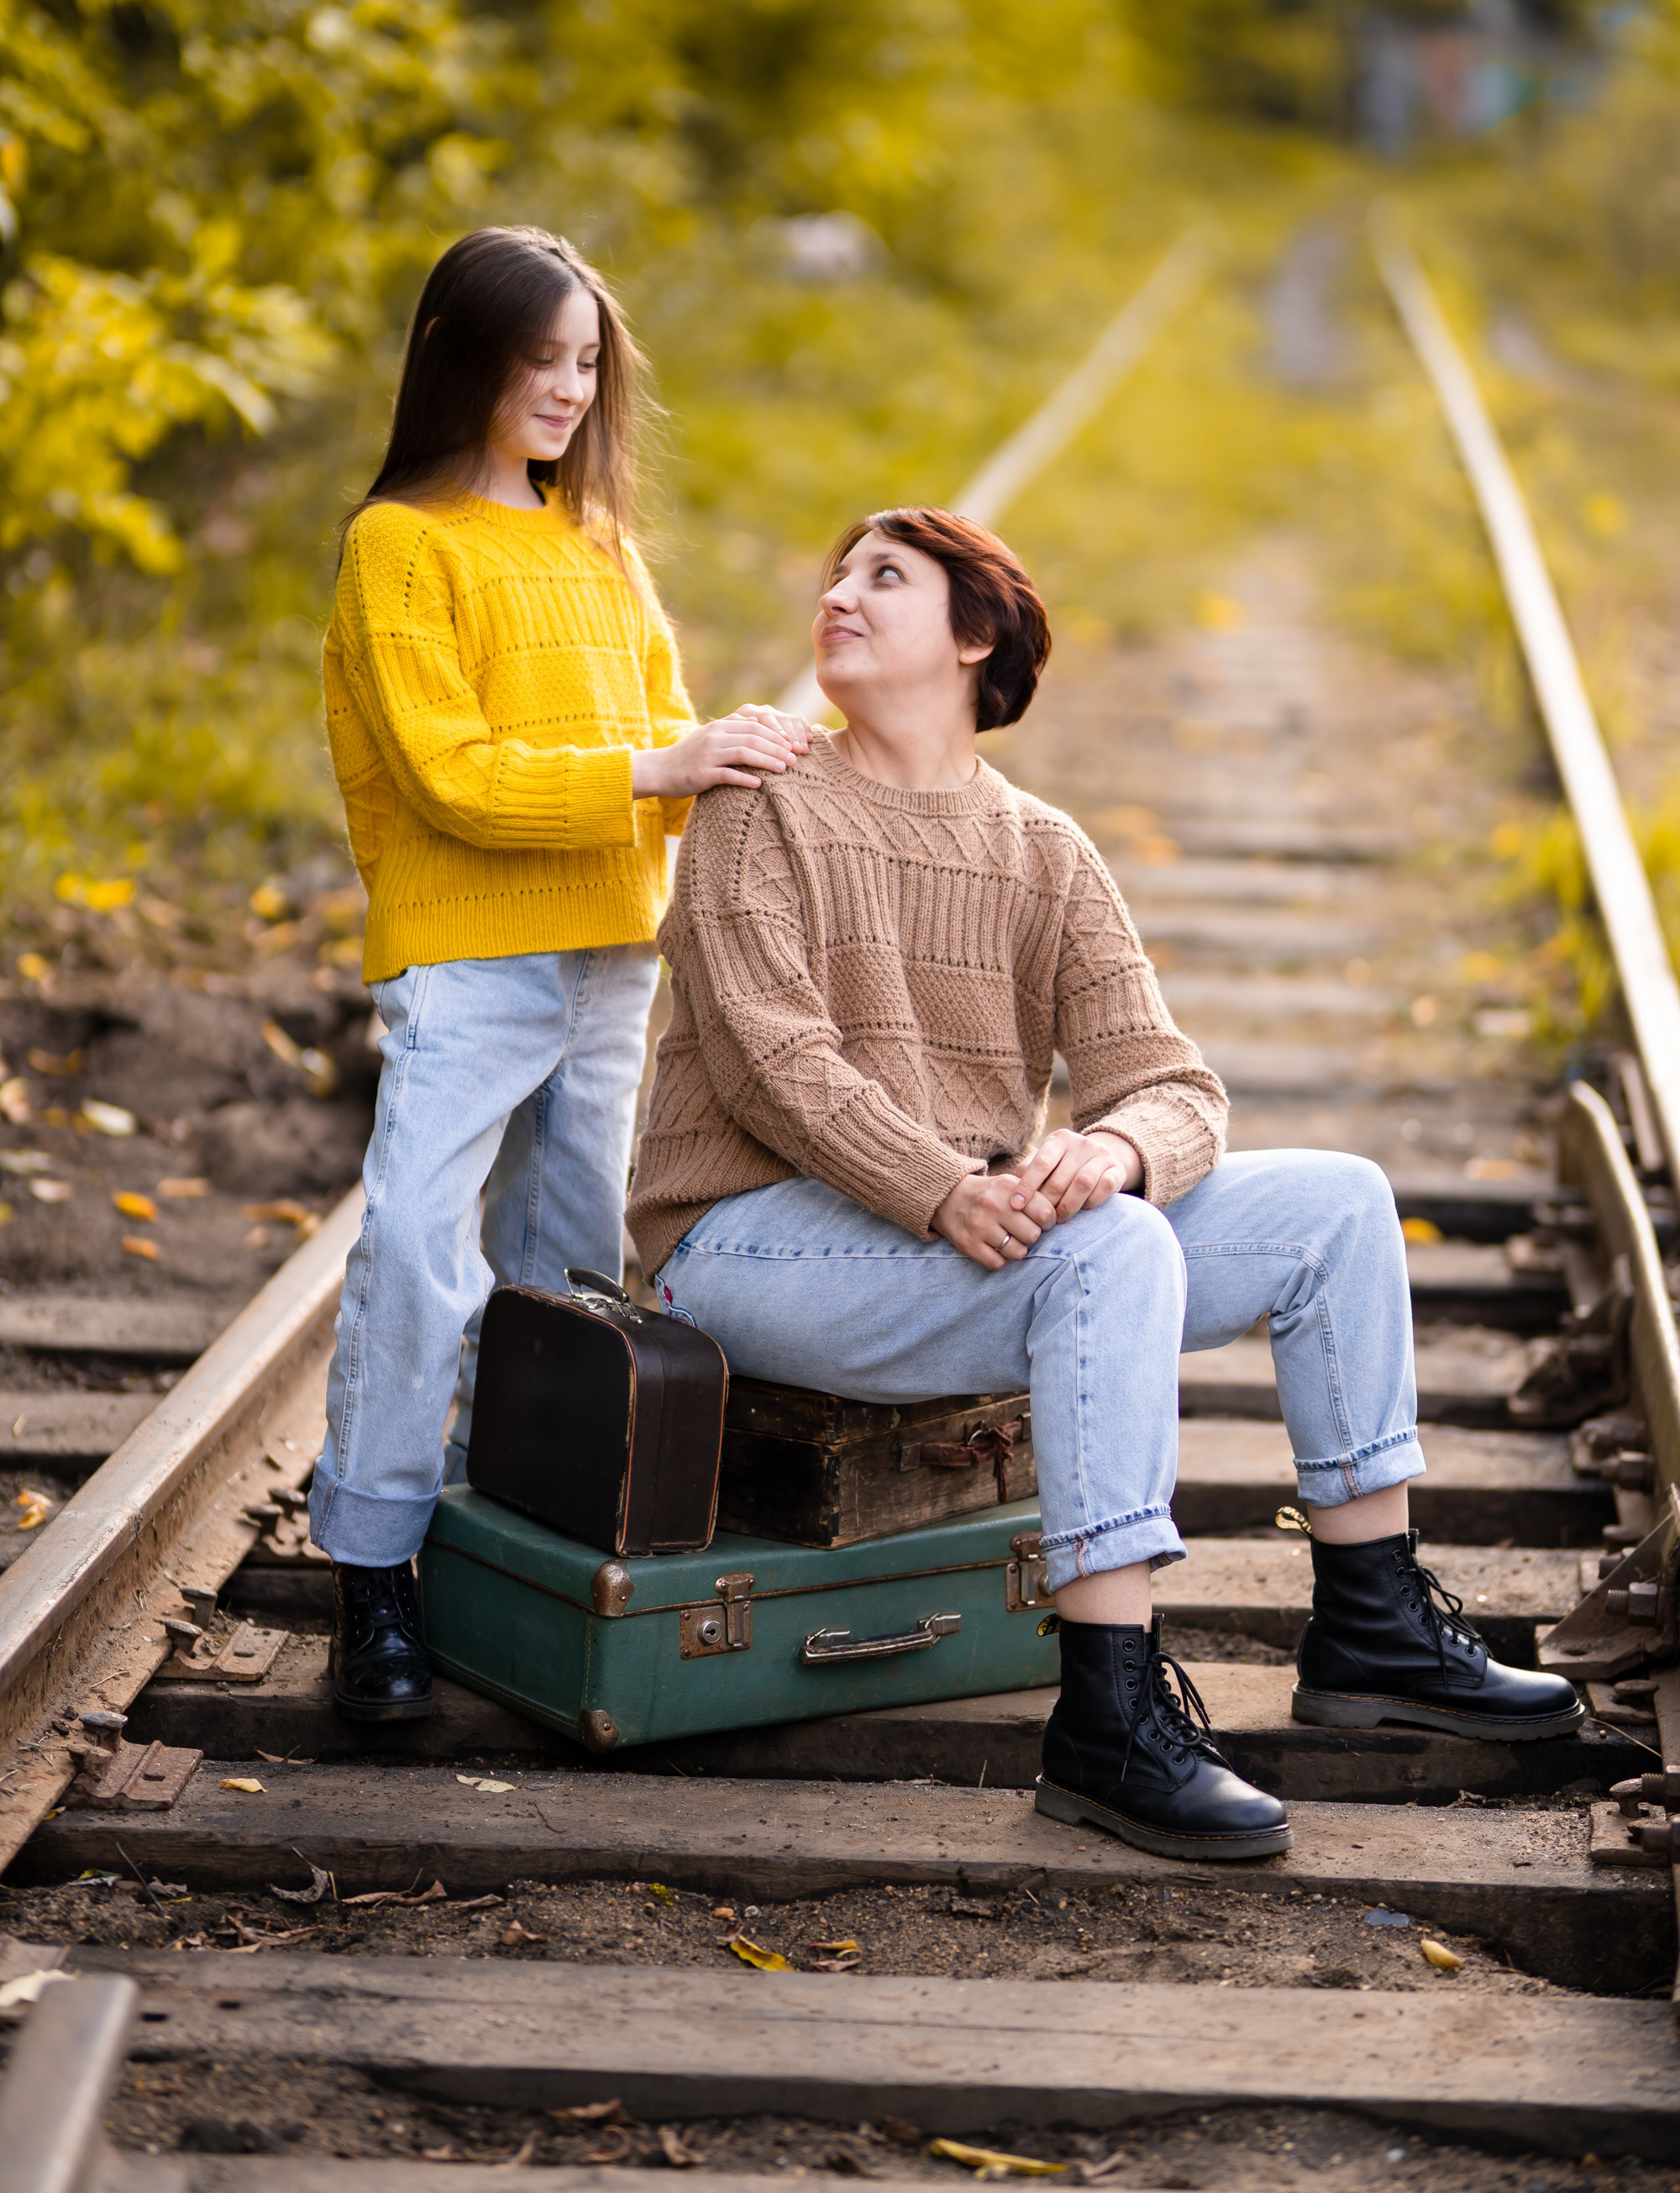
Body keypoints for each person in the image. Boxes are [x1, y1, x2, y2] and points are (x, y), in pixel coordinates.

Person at [627, 507, 1581, 1861]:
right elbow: (773, 1062)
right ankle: (1109, 1720)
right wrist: (947, 1188)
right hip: (743, 1246)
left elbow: (1175, 1084)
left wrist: (1116, 1151)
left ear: (974, 637)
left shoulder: (1043, 852)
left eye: (882, 578)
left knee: (1338, 1205)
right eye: (835, 576)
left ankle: (1370, 1628)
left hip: (958, 1230)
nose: (838, 595)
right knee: (1113, 1255)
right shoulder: (759, 806)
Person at [314, 224, 809, 1721]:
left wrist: (735, 756)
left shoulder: (598, 545)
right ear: (462, 357)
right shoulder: (400, 546)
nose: (569, 391)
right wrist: (664, 760)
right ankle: (376, 1570)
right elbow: (457, 776)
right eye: (541, 359)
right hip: (471, 957)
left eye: (588, 364)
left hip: (609, 956)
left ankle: (521, 1552)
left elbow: (661, 731)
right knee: (415, 1245)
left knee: (574, 1269)